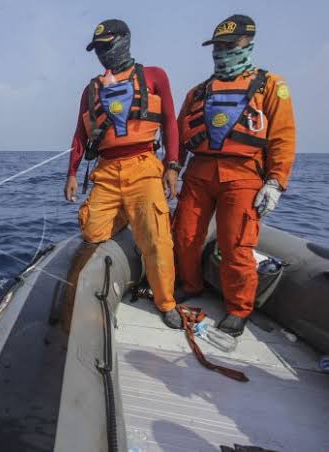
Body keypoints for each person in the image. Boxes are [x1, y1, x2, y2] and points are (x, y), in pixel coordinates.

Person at [173, 15, 295, 336]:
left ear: (247, 43)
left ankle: (239, 308)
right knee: (184, 235)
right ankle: (190, 284)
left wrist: (275, 182)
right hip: (198, 173)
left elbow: (282, 137)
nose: (221, 52)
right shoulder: (198, 92)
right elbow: (179, 137)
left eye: (229, 45)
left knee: (236, 245)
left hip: (244, 176)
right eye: (217, 47)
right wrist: (170, 169)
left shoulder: (271, 85)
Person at [64, 19, 183, 328]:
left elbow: (170, 122)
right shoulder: (90, 89)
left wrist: (172, 165)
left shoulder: (154, 76)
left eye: (106, 46)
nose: (102, 54)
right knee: (91, 230)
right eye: (97, 50)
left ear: (124, 41)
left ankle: (166, 302)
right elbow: (80, 135)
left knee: (157, 239)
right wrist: (72, 173)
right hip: (105, 170)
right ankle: (130, 222)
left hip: (144, 165)